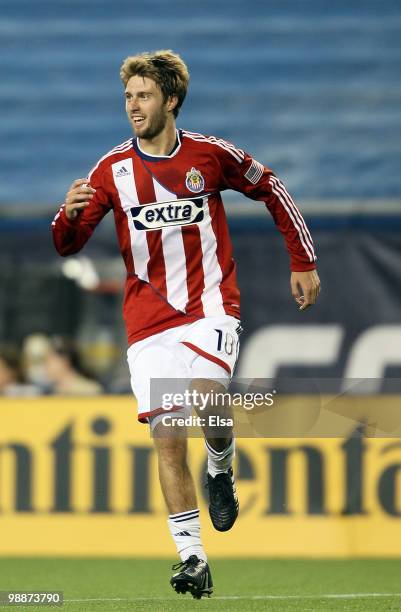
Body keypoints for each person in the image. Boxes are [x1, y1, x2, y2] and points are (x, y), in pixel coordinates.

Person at [52, 50, 320, 598]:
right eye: (128, 96)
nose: (133, 106)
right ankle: (193, 559)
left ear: (170, 100)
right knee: (167, 437)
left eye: (144, 95)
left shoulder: (210, 155)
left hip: (211, 304)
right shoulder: (112, 171)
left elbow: (270, 186)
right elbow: (66, 245)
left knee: (207, 396)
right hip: (148, 320)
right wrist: (69, 214)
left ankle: (220, 466)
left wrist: (304, 260)